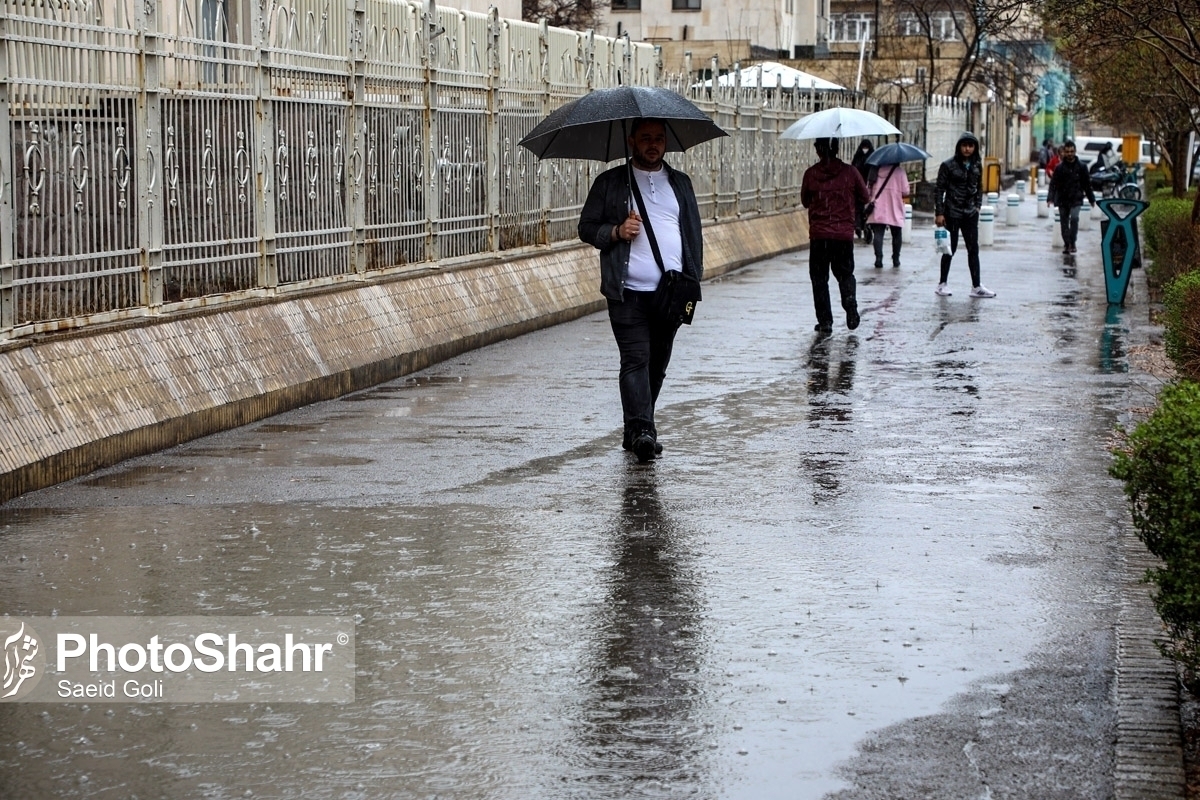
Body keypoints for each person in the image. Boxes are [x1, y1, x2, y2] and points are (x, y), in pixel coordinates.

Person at [578, 118, 703, 463]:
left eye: (659, 139)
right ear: (631, 141)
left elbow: (693, 235)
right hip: (627, 291)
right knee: (636, 359)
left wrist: (694, 281)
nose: (653, 144)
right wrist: (617, 231)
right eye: (646, 138)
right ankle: (645, 431)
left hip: (671, 291)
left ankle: (635, 428)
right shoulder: (612, 183)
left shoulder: (680, 183)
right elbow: (586, 227)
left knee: (657, 365)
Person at [801, 137, 869, 335]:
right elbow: (865, 196)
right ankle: (850, 306)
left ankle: (825, 321)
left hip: (819, 236)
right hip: (843, 235)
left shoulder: (811, 174)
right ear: (837, 149)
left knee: (819, 278)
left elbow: (805, 201)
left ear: (818, 151)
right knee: (845, 274)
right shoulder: (850, 172)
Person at [934, 131, 995, 298]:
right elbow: (939, 190)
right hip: (952, 212)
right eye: (964, 145)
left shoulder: (976, 165)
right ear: (959, 147)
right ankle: (942, 283)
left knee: (973, 249)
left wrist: (978, 206)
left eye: (970, 146)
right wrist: (939, 213)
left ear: (974, 147)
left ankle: (976, 286)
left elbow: (979, 187)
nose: (967, 149)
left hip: (970, 214)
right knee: (949, 249)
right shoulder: (948, 165)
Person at [1048, 139, 1097, 255]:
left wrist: (1091, 199)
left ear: (1075, 152)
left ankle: (1072, 242)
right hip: (1062, 199)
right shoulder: (1059, 168)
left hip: (1076, 198)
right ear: (1064, 152)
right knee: (1064, 223)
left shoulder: (1082, 167)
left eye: (1072, 151)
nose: (1070, 154)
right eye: (1067, 152)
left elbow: (1087, 184)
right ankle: (1067, 244)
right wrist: (1050, 198)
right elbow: (1053, 183)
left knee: (1074, 219)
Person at [865, 162, 910, 269]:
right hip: (894, 206)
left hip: (878, 206)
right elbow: (906, 191)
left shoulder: (875, 171)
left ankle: (878, 258)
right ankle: (896, 258)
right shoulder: (900, 172)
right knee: (896, 233)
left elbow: (868, 190)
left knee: (878, 234)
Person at [850, 139, 875, 242]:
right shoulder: (858, 157)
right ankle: (859, 226)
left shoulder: (872, 158)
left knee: (866, 209)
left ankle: (865, 227)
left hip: (868, 186)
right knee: (859, 209)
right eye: (863, 147)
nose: (865, 149)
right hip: (858, 188)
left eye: (866, 147)